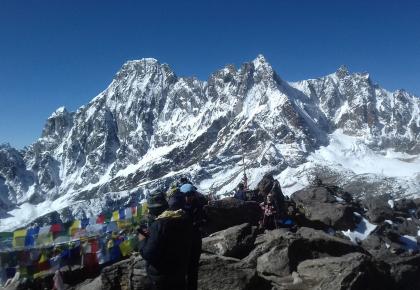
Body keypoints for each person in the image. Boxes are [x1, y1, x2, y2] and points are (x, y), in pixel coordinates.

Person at [139, 190, 192, 290]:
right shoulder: (182, 217)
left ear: (154, 209)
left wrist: (142, 239)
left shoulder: (159, 225)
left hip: (162, 279)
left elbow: (148, 254)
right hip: (179, 274)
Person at [179, 183, 207, 290]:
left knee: (193, 268)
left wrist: (200, 222)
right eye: (187, 195)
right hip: (183, 241)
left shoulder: (197, 205)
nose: (189, 198)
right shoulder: (177, 207)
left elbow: (203, 218)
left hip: (194, 239)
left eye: (191, 195)